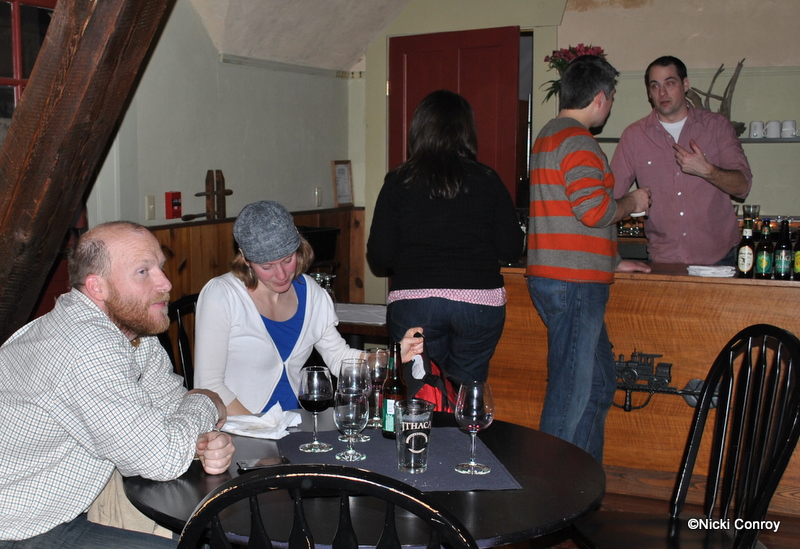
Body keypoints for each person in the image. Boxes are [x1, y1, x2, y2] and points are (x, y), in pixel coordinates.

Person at [0, 221, 234, 547]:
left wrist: (204, 441)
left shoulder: (130, 331)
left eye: (161, 267)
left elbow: (171, 409)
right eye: (143, 271)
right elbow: (163, 456)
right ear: (97, 287)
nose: (165, 283)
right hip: (20, 528)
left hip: (70, 506)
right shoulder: (86, 346)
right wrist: (207, 401)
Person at [527, 55, 652, 463]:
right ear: (600, 97)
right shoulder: (578, 140)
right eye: (611, 98)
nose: (610, 106)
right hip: (575, 282)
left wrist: (613, 261)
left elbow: (567, 215)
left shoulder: (549, 134)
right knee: (571, 392)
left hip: (561, 276)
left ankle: (582, 480)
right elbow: (594, 210)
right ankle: (549, 487)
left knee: (598, 383)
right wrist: (632, 202)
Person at [194, 200, 423, 416]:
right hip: (238, 428)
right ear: (246, 259)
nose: (281, 275)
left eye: (287, 260)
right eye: (267, 266)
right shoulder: (222, 295)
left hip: (296, 421)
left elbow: (340, 358)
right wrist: (260, 428)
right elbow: (209, 385)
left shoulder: (311, 294)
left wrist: (392, 357)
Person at [367, 89, 524, 388]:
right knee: (466, 393)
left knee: (420, 395)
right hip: (479, 304)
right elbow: (511, 248)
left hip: (415, 302)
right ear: (467, 132)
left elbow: (380, 255)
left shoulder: (398, 181)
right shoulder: (488, 179)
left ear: (418, 131)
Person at [612, 55, 753, 265]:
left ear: (685, 84)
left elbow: (743, 186)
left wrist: (707, 171)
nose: (662, 93)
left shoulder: (716, 127)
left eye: (669, 83)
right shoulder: (634, 136)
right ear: (649, 93)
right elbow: (608, 201)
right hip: (664, 260)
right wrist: (612, 259)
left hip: (719, 259)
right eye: (655, 86)